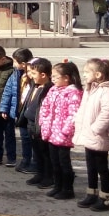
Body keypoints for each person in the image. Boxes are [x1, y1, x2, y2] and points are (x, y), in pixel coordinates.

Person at [73, 59, 109, 211]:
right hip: (89, 134)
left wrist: (96, 129)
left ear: (98, 74)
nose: (84, 75)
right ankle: (91, 193)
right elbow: (83, 109)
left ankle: (105, 198)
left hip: (98, 135)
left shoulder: (107, 90)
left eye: (87, 72)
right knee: (90, 166)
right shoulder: (90, 88)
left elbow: (107, 113)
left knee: (102, 168)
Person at [39, 61, 83, 199]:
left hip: (63, 134)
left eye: (56, 77)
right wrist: (44, 122)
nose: (53, 79)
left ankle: (67, 189)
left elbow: (73, 115)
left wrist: (66, 131)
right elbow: (44, 107)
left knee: (64, 163)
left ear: (67, 78)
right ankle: (57, 186)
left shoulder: (73, 93)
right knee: (54, 161)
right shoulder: (53, 90)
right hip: (51, 132)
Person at [0, 48, 33, 171]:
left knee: (32, 140)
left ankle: (33, 162)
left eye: (15, 62)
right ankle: (25, 160)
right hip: (19, 111)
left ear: (23, 64)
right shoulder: (15, 74)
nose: (13, 64)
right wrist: (4, 109)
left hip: (30, 113)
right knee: (24, 138)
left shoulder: (34, 75)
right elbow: (8, 92)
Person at [22, 58, 55, 188]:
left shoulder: (48, 89)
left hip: (41, 125)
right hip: (31, 124)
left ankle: (48, 177)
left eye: (34, 73)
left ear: (43, 75)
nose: (31, 76)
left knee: (45, 152)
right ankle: (39, 173)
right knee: (37, 151)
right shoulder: (35, 86)